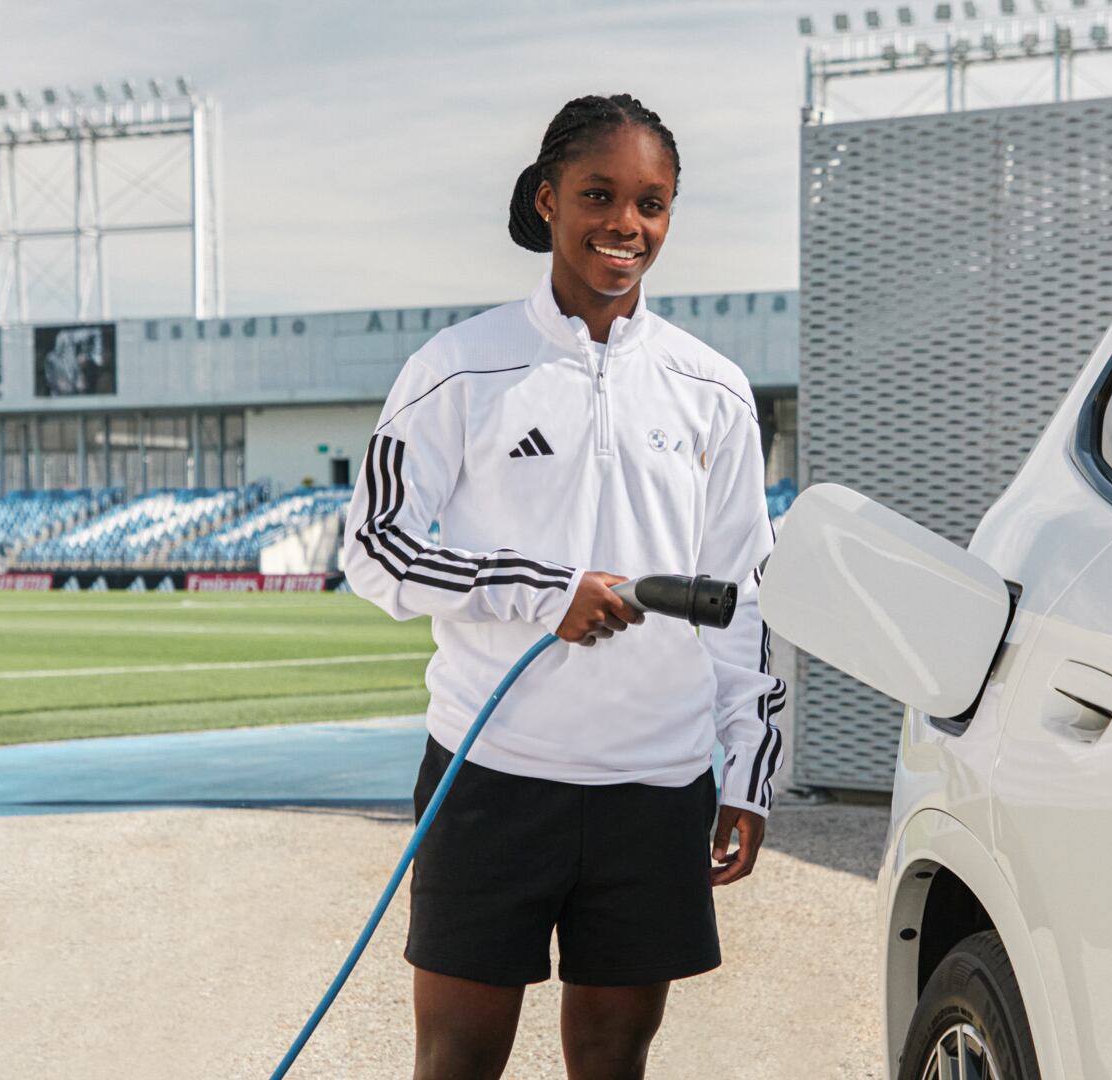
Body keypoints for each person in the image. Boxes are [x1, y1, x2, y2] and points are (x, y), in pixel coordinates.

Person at [342, 93, 785, 1080]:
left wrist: (748, 770)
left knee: (614, 1057)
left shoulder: (711, 388)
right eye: (599, 195)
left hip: (657, 784)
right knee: (457, 1057)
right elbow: (373, 548)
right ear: (547, 201)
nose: (626, 225)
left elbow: (746, 598)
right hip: (491, 776)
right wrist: (541, 591)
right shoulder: (458, 368)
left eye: (652, 204)